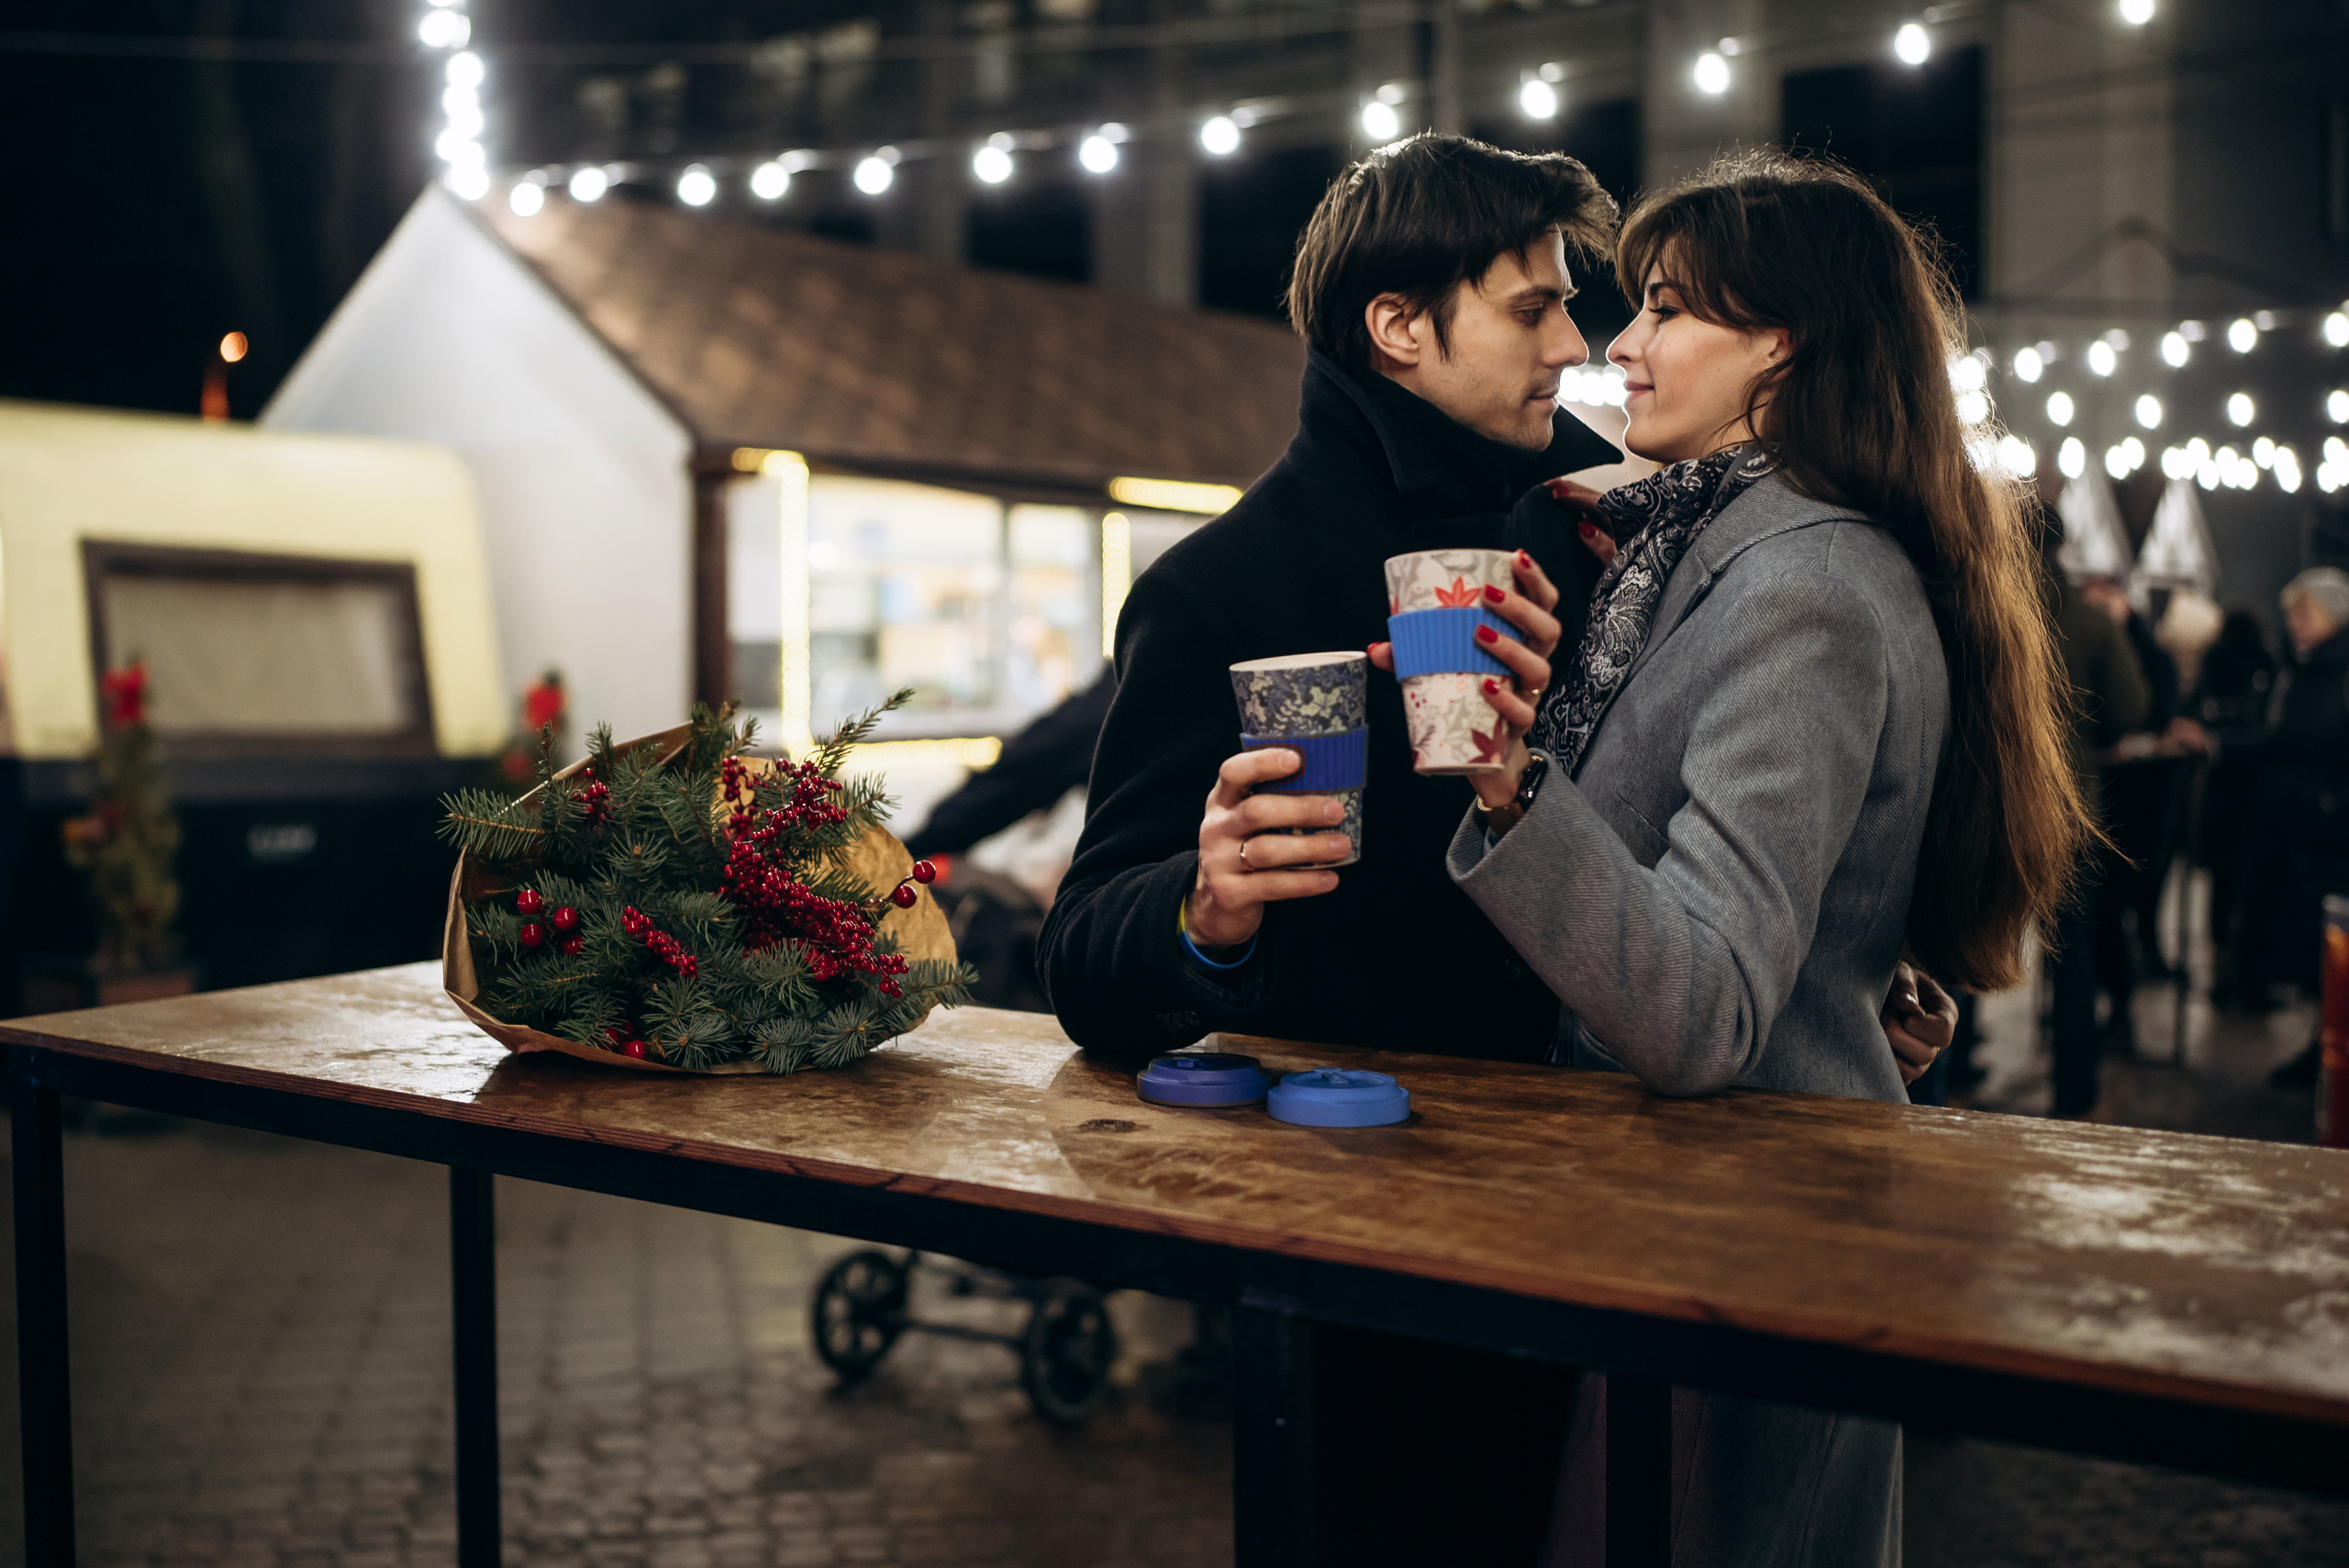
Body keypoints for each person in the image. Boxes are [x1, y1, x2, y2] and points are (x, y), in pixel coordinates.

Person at [1038, 134, 1955, 1564]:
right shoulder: (1226, 583)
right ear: (1400, 328)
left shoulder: (1619, 520)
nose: (1581, 344)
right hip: (1376, 1244)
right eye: (1534, 308)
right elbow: (1087, 956)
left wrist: (1843, 961)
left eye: (1586, 304)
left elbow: (1754, 791)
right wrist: (1205, 906)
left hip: (1632, 1222)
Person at [1397, 153, 2088, 1565]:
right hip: (1690, 1233)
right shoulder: (1705, 548)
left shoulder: (1803, 585)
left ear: (1784, 343)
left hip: (1741, 1245)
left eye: (1665, 309)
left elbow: (1705, 1006)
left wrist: (1512, 783)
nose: (1624, 344)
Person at [2043, 542, 2148, 1119]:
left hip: (1978, 807)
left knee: (1953, 953)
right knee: (2073, 958)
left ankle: (1951, 1078)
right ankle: (2073, 1092)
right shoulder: (2086, 620)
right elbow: (2130, 709)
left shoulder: (1973, 604)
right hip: (2069, 808)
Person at [2236, 569, 2349, 1084]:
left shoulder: (2334, 671)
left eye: (2304, 613)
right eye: (2290, 615)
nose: (2294, 624)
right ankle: (2321, 1052)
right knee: (2312, 952)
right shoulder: (2304, 669)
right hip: (2303, 833)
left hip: (2328, 837)